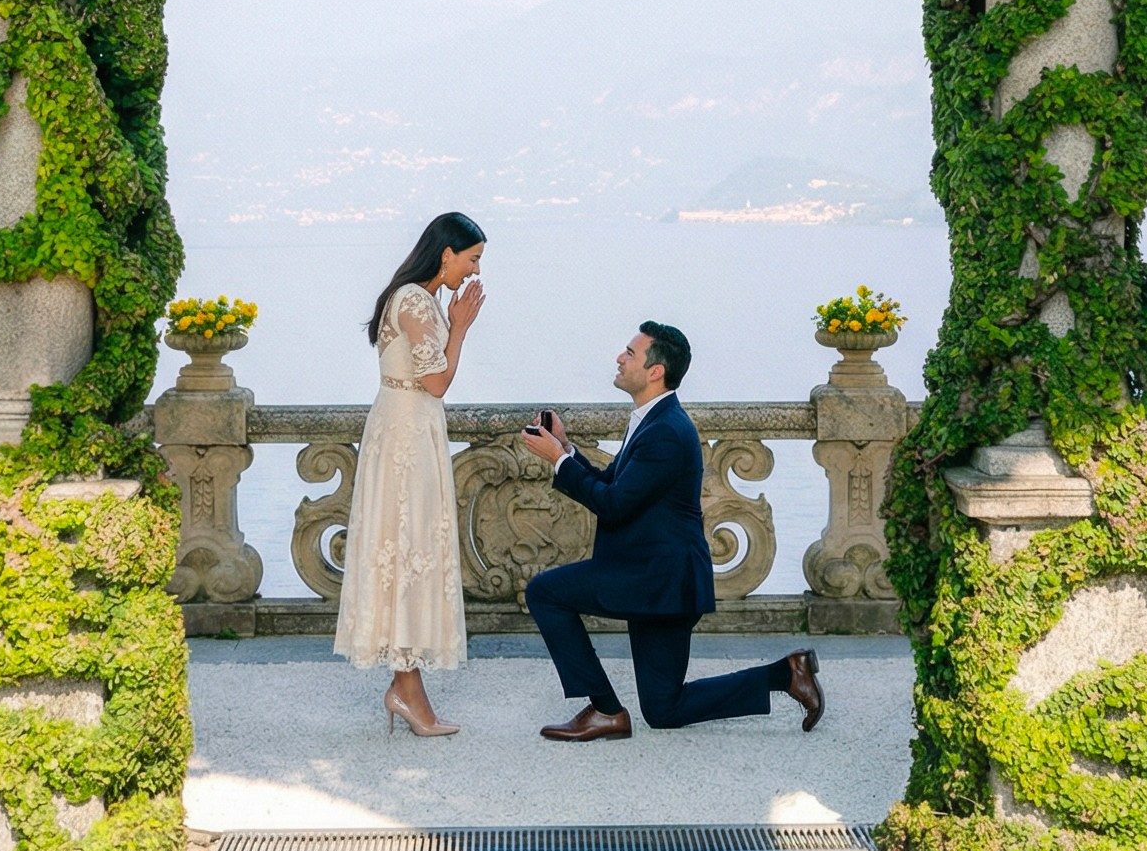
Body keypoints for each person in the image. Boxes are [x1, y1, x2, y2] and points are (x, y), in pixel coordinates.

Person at [521, 321, 824, 740]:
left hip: (657, 580)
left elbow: (612, 505)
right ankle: (786, 675)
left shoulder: (665, 431)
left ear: (655, 371)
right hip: (657, 579)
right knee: (665, 708)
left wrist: (557, 461)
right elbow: (614, 486)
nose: (619, 357)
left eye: (630, 352)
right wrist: (567, 448)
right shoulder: (652, 419)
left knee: (544, 591)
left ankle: (605, 711)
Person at [333, 211, 487, 735]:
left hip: (407, 426)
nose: (472, 272)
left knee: (410, 548)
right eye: (471, 260)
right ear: (446, 254)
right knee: (407, 546)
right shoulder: (417, 301)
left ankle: (406, 686)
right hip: (407, 430)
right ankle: (407, 688)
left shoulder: (417, 296)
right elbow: (438, 382)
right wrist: (461, 329)